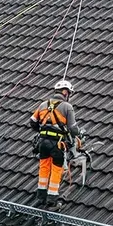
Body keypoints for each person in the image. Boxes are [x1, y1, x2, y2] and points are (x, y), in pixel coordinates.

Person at [29, 79, 84, 208]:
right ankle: (52, 197)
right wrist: (79, 134)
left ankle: (41, 195)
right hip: (57, 143)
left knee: (44, 167)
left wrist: (43, 131)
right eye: (69, 93)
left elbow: (32, 122)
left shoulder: (43, 104)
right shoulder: (67, 107)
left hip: (42, 142)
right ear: (65, 92)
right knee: (56, 168)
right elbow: (72, 128)